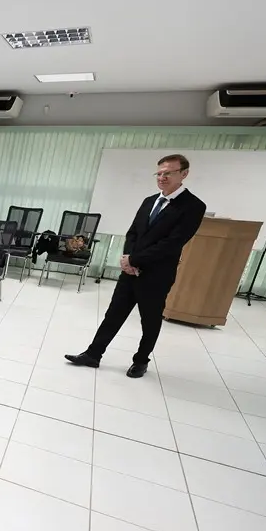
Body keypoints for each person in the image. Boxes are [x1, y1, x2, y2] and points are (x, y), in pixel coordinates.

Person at [66, 154, 207, 378]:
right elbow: (133, 232)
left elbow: (173, 242)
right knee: (113, 314)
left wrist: (135, 260)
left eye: (168, 173)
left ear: (184, 174)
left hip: (157, 274)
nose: (162, 177)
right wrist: (127, 259)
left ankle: (141, 361)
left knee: (149, 320)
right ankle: (93, 354)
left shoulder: (193, 206)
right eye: (159, 173)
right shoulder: (149, 201)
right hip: (130, 271)